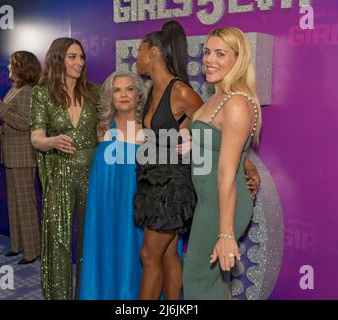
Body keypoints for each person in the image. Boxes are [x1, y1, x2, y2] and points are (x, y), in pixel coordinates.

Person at [183, 27, 262, 299]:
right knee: (209, 283)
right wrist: (193, 146)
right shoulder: (217, 98)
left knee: (198, 281)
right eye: (207, 52)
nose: (209, 59)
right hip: (208, 201)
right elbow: (220, 145)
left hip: (223, 204)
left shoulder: (237, 103)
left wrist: (226, 234)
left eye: (220, 54)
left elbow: (227, 174)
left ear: (237, 60)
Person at [133, 20, 204, 300]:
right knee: (168, 253)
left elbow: (215, 130)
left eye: (140, 49)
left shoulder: (181, 91)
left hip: (173, 186)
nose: (136, 56)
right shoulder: (153, 90)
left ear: (154, 53)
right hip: (153, 180)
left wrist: (192, 142)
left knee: (149, 256)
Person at [30, 38, 99, 300]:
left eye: (81, 57)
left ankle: (87, 293)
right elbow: (36, 138)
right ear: (58, 59)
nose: (79, 62)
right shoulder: (42, 93)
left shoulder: (92, 92)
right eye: (72, 57)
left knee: (87, 239)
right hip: (59, 172)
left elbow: (106, 128)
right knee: (58, 241)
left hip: (92, 173)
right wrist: (52, 141)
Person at [79, 70, 146, 300]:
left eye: (129, 89)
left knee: (132, 252)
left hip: (134, 207)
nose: (124, 95)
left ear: (138, 94)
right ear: (110, 96)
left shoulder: (149, 128)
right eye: (117, 90)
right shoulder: (102, 127)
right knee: (106, 251)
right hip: (104, 206)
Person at [0, 51, 42, 265]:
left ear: (22, 67)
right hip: (11, 155)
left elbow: (24, 123)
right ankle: (17, 245)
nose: (9, 68)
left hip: (23, 157)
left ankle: (32, 250)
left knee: (26, 204)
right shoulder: (16, 88)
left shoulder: (28, 90)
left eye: (12, 64)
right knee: (14, 203)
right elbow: (10, 125)